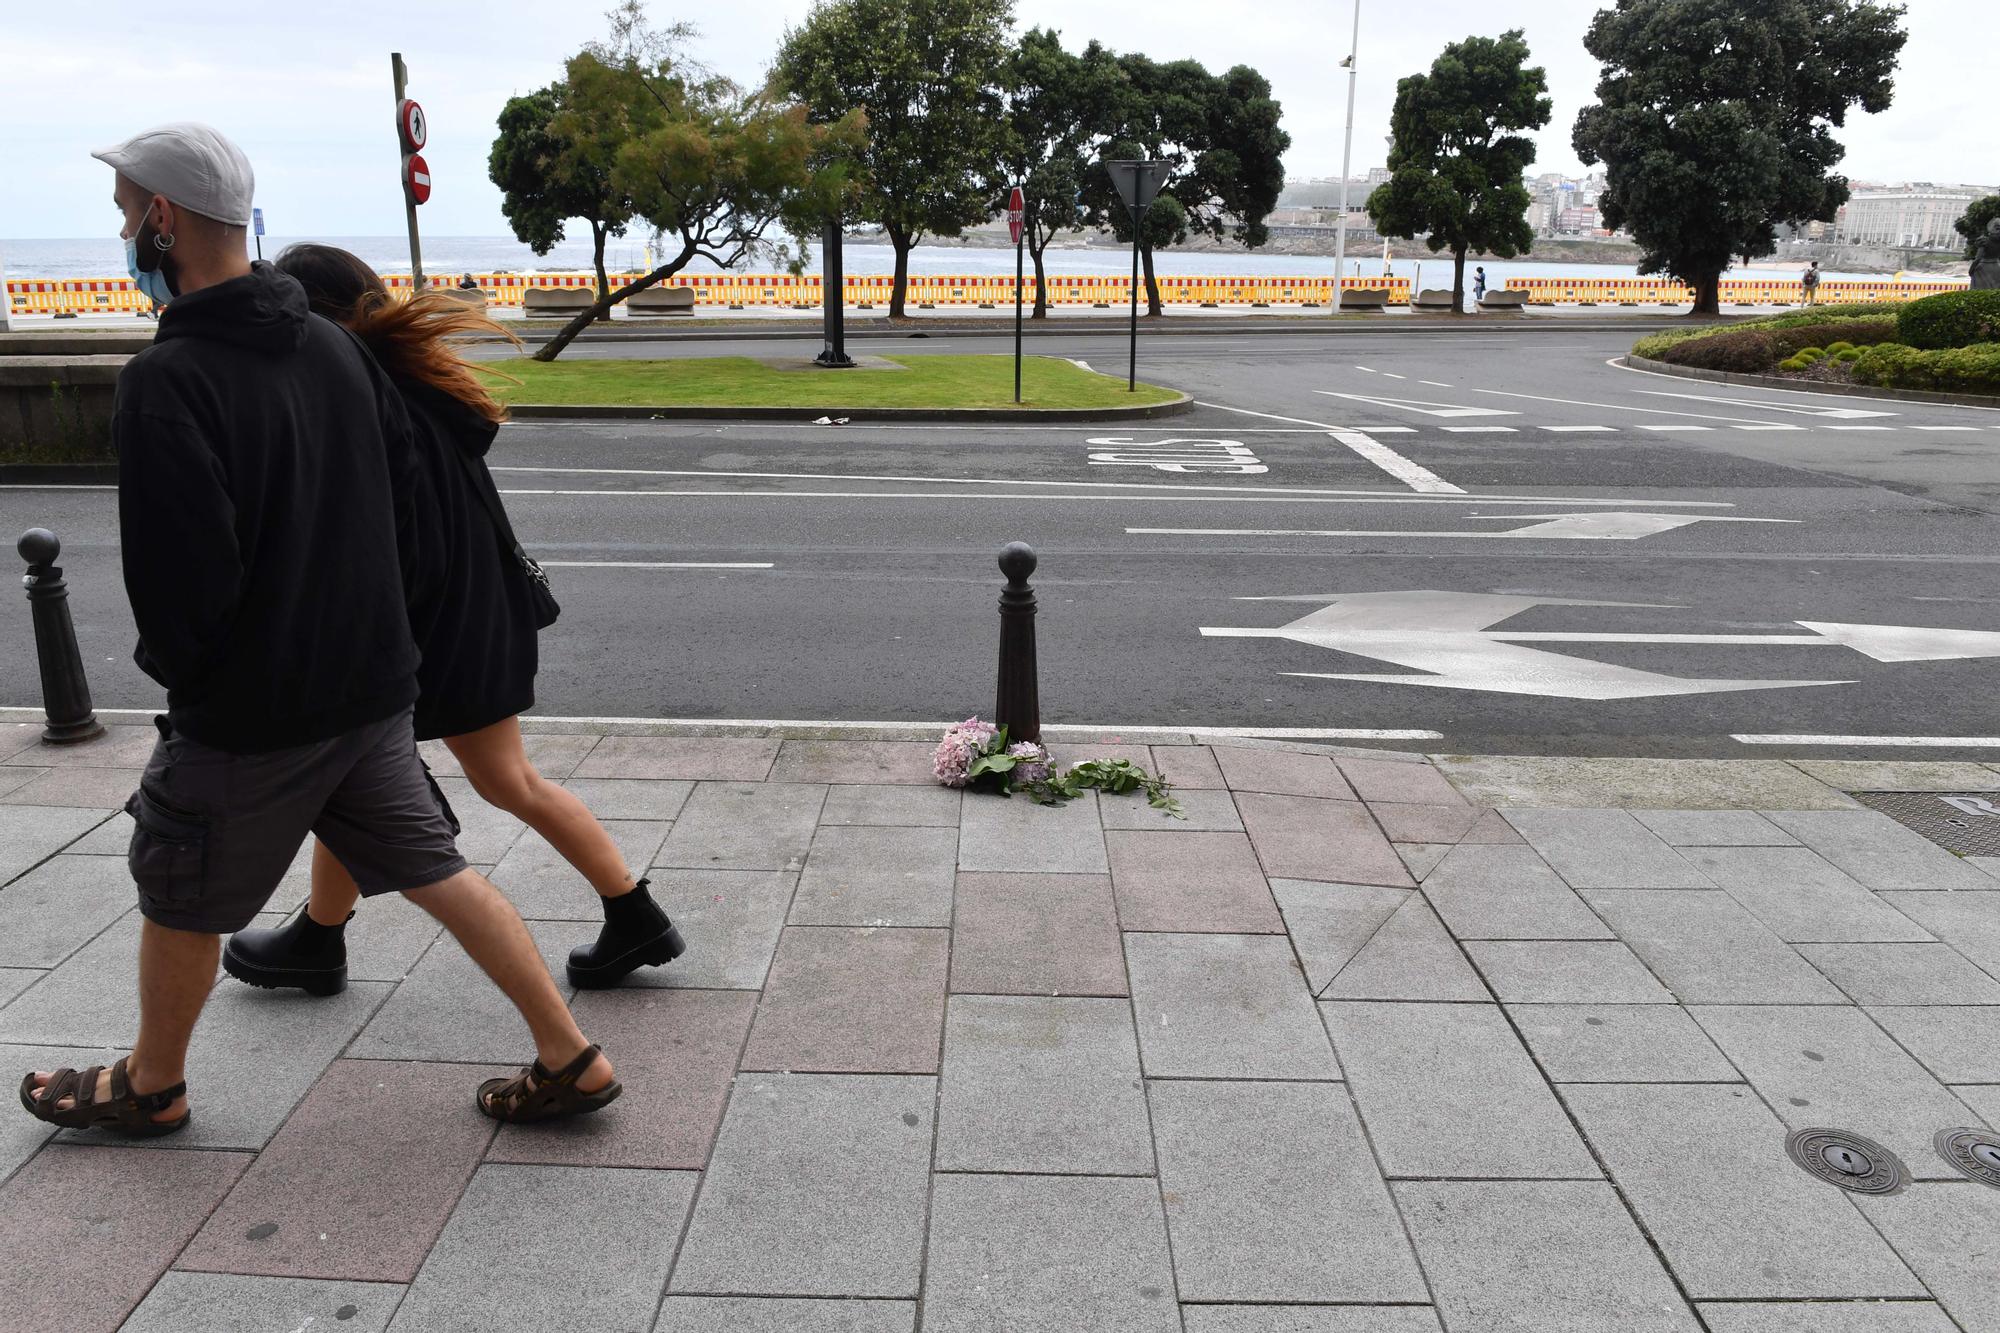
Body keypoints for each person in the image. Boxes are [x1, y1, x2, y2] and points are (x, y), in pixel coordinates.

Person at [20, 123, 618, 1136]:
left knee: (178, 880)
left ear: (162, 220)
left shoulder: (169, 381)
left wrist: (189, 685)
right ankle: (572, 1056)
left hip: (253, 711)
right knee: (437, 869)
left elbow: (181, 579)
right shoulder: (337, 350)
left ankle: (151, 1083)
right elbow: (396, 516)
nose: (123, 236)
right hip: (374, 687)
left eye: (125, 214)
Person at [221, 243, 684, 996]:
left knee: (461, 780)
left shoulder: (370, 402)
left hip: (436, 633)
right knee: (394, 781)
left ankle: (631, 913)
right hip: (475, 616)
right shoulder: (412, 385)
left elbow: (391, 544)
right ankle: (320, 935)